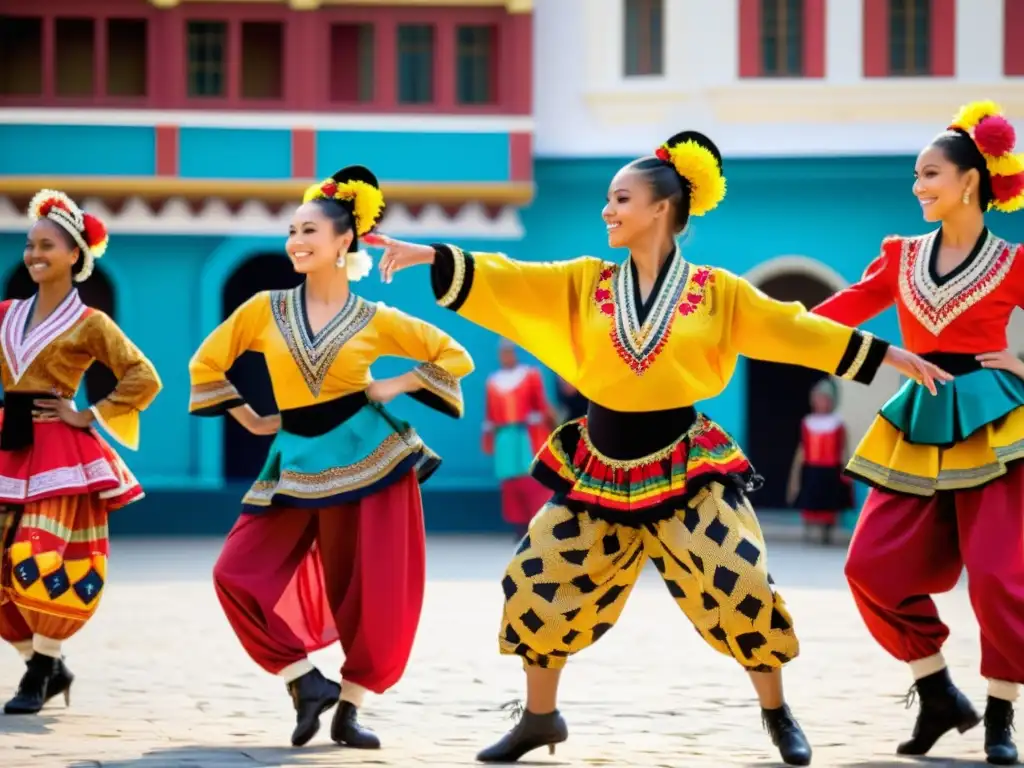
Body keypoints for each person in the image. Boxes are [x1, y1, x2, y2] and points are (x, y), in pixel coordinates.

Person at [368, 130, 951, 766]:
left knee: (743, 585)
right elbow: (512, 281)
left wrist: (888, 353)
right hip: (597, 466)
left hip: (683, 466)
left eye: (621, 198)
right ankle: (540, 717)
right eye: (607, 199)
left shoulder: (719, 292)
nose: (607, 210)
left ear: (661, 209)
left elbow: (793, 327)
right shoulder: (585, 282)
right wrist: (429, 254)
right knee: (535, 580)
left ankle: (778, 713)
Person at [188, 165, 473, 749]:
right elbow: (206, 363)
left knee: (373, 590)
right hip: (293, 459)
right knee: (234, 572)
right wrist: (252, 416)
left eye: (310, 230)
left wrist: (394, 386)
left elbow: (454, 355)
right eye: (292, 230)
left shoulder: (374, 318)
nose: (296, 241)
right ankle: (303, 681)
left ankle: (351, 707)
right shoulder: (264, 308)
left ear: (345, 241)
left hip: (370, 458)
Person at [812, 100, 1024, 765]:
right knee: (869, 565)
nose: (918, 187)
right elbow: (836, 313)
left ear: (970, 180)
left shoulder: (1013, 262)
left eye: (930, 174)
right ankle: (935, 691)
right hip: (919, 419)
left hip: (993, 421)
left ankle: (1000, 715)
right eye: (915, 176)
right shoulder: (901, 257)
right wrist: (753, 321)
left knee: (998, 577)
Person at [0, 190, 161, 714]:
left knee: (39, 554)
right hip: (9, 440)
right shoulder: (5, 313)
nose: (34, 253)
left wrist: (87, 413)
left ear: (76, 255)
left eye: (47, 244)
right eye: (29, 244)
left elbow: (143, 375)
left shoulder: (90, 322)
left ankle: (42, 670)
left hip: (60, 451)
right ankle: (42, 663)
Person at [482, 340, 553, 538]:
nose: (506, 356)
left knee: (531, 479)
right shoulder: (493, 381)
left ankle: (537, 523)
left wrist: (541, 419)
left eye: (509, 352)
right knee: (509, 482)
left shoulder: (530, 375)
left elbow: (541, 405)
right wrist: (489, 435)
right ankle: (519, 526)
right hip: (504, 437)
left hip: (527, 434)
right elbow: (490, 413)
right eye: (502, 353)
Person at [786, 378, 852, 545]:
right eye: (818, 398)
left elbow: (843, 448)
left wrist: (846, 469)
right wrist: (796, 473)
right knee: (810, 498)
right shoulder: (807, 422)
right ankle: (809, 530)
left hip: (830, 469)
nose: (821, 402)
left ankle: (826, 532)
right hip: (812, 468)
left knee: (829, 501)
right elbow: (802, 447)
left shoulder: (838, 423)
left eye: (825, 399)